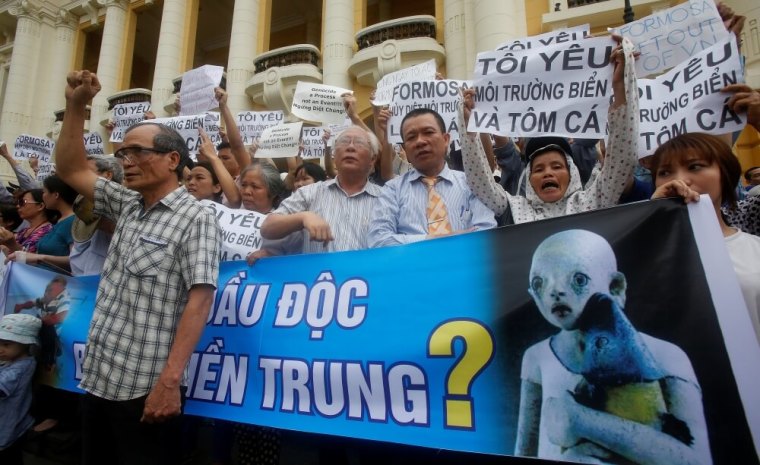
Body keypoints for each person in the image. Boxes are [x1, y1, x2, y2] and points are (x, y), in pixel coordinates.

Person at [54, 69, 221, 465]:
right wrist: (76, 106)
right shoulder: (126, 203)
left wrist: (169, 382)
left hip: (144, 390)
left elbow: (199, 303)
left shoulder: (197, 218)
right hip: (98, 377)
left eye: (137, 153)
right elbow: (70, 169)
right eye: (122, 154)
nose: (125, 162)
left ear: (172, 159)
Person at [515, 229, 710, 465]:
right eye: (539, 283)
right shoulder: (536, 357)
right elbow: (524, 452)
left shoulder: (666, 355)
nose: (554, 291)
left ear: (615, 287)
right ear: (532, 296)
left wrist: (579, 420)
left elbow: (697, 461)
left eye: (578, 280)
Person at [459, 37, 637, 224]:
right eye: (538, 169)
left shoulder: (592, 202)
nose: (548, 173)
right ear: (528, 178)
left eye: (557, 166)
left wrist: (620, 86)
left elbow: (622, 161)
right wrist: (468, 126)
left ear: (572, 173)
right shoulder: (513, 209)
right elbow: (479, 183)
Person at [650, 133, 760, 344]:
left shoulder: (755, 249)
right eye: (664, 172)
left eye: (695, 167)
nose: (679, 180)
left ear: (725, 174)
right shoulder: (644, 255)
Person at [367, 107, 497, 248]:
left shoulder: (471, 184)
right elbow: (378, 240)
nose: (420, 142)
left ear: (446, 139)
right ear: (405, 148)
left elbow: (486, 233)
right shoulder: (392, 190)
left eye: (428, 132)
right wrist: (431, 240)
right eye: (411, 137)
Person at [259, 125, 383, 257]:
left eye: (359, 143)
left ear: (372, 159)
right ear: (334, 155)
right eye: (344, 142)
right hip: (320, 277)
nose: (350, 147)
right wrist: (303, 217)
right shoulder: (309, 193)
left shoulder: (386, 198)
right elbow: (267, 228)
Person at [5, 175, 78, 272]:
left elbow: (77, 261)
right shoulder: (60, 221)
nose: (43, 196)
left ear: (56, 195)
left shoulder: (72, 221)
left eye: (44, 192)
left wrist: (40, 258)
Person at [69, 155, 123, 276]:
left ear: (108, 175)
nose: (81, 178)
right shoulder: (83, 206)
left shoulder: (122, 205)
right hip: (84, 283)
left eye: (87, 173)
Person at [0, 313, 41, 465]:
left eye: (6, 345)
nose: (0, 349)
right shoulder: (9, 359)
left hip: (6, 429)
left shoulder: (21, 367)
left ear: (24, 344)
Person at [0, 189, 54, 255]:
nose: (18, 206)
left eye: (22, 202)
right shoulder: (24, 231)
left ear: (40, 206)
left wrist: (12, 245)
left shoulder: (49, 232)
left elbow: (36, 262)